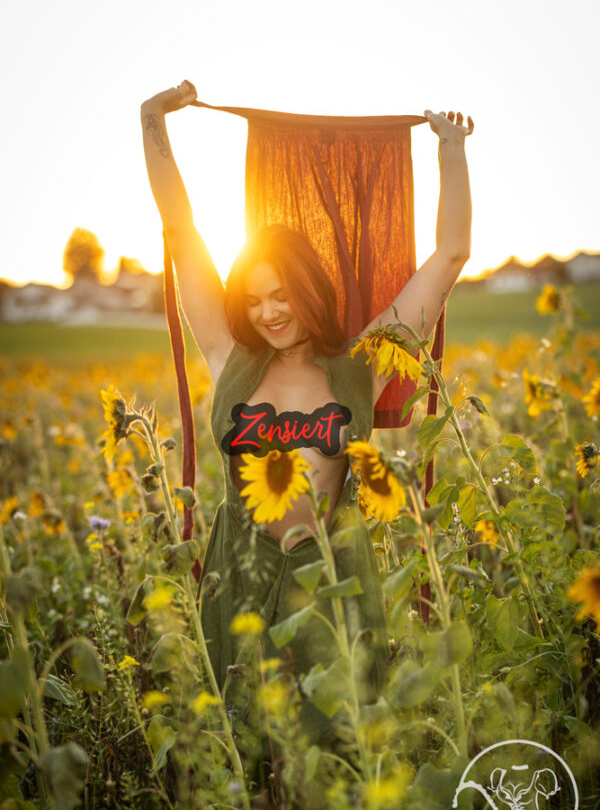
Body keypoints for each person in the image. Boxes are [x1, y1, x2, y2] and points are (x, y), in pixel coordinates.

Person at [140, 81, 473, 743]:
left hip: (334, 581)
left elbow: (449, 257)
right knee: (241, 750)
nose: (270, 311)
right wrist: (152, 124)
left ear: (312, 290)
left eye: (284, 293)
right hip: (239, 575)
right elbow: (181, 232)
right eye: (257, 297)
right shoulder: (228, 354)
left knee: (340, 751)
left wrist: (452, 151)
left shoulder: (361, 361)